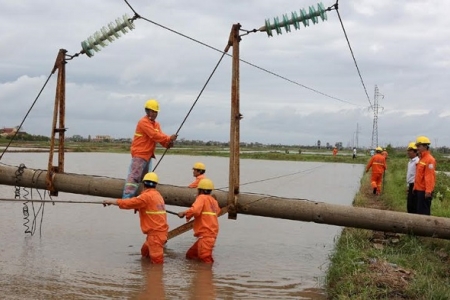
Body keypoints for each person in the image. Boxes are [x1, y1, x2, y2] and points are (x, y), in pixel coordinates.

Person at [104, 172, 168, 264]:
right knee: (145, 253)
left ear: (143, 184)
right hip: (159, 233)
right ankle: (147, 272)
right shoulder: (157, 195)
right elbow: (148, 206)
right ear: (156, 185)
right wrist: (138, 207)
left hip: (155, 235)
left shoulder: (145, 196)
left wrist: (112, 201)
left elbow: (129, 203)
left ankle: (155, 277)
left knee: (157, 263)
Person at [122, 99, 178, 199]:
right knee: (134, 177)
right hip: (139, 154)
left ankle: (143, 199)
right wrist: (168, 138)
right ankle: (127, 198)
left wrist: (167, 144)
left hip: (148, 155)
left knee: (146, 180)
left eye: (155, 112)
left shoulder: (156, 125)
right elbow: (153, 135)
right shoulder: (143, 122)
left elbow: (160, 137)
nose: (153, 114)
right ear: (147, 111)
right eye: (151, 111)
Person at [177, 178, 220, 263]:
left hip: (205, 235)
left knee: (205, 259)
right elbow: (217, 212)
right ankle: (198, 272)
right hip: (209, 235)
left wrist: (184, 213)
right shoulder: (213, 201)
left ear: (200, 190)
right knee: (190, 255)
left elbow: (195, 210)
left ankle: (207, 275)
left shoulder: (201, 198)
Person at [413, 136, 436, 215]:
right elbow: (419, 176)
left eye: (419, 146)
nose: (417, 148)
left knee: (424, 213)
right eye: (417, 146)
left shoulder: (430, 159)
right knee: (418, 212)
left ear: (425, 146)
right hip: (419, 190)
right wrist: (414, 187)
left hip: (424, 192)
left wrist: (428, 191)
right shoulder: (421, 159)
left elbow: (429, 176)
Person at [406, 142, 419, 214]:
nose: (408, 152)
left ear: (415, 152)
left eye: (410, 151)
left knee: (413, 205)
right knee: (409, 205)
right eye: (408, 150)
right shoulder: (410, 162)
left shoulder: (417, 162)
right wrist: (408, 186)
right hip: (411, 185)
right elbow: (409, 175)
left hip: (415, 186)